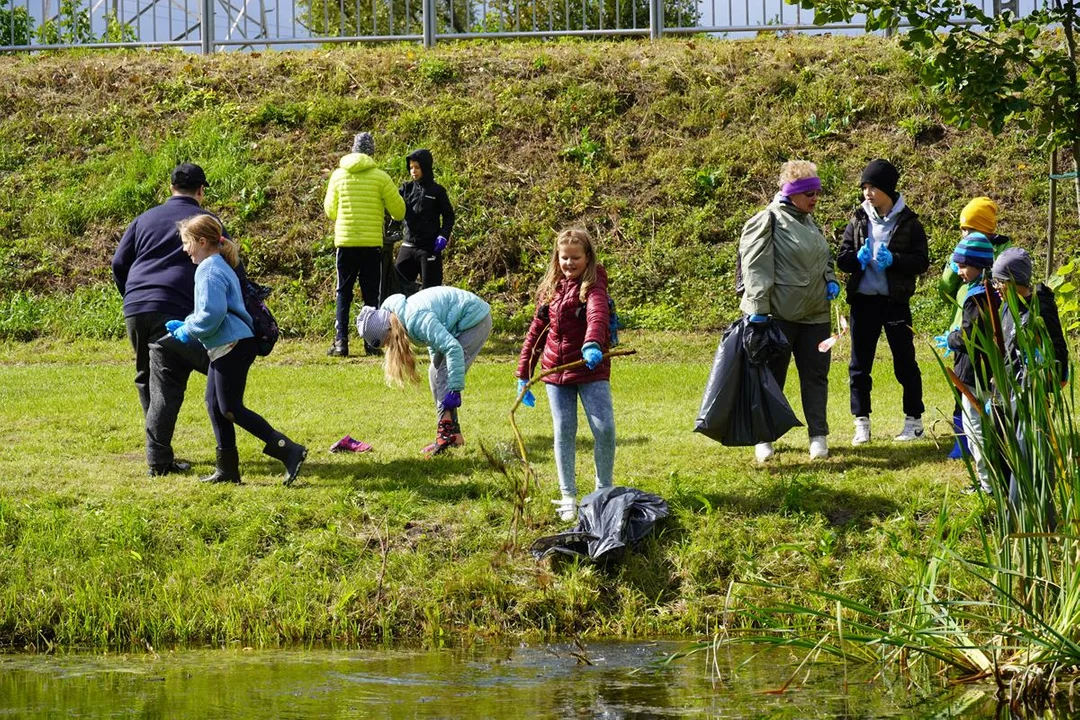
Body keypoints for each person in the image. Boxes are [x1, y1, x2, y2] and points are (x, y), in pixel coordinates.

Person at [166, 215, 308, 485]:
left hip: (233, 345)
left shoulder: (208, 268)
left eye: (187, 243)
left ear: (202, 241)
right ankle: (227, 470)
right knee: (215, 404)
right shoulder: (218, 264)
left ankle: (289, 450)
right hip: (233, 343)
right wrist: (189, 323)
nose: (185, 250)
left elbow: (212, 315)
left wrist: (188, 329)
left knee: (230, 407)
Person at [112, 162, 218, 477]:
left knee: (147, 376)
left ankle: (158, 450)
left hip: (136, 305)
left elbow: (119, 261)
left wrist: (130, 294)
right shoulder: (205, 221)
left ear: (170, 188)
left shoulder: (144, 218)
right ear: (201, 191)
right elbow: (223, 261)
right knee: (168, 382)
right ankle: (158, 459)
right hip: (173, 306)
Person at [740, 160, 839, 462]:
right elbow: (755, 267)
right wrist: (758, 309)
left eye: (817, 192)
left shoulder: (809, 222)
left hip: (816, 317)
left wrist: (831, 279)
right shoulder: (768, 220)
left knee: (816, 377)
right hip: (779, 316)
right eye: (808, 192)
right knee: (772, 379)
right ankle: (764, 438)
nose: (814, 198)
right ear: (791, 192)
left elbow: (824, 258)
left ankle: (818, 437)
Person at [515, 228, 615, 522]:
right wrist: (524, 372)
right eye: (564, 258)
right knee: (564, 431)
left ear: (588, 258)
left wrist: (592, 343)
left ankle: (603, 492)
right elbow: (536, 332)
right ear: (557, 258)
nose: (569, 263)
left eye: (575, 258)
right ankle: (568, 495)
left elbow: (598, 315)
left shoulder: (594, 285)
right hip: (555, 373)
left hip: (589, 367)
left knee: (604, 428)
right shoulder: (551, 289)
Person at [836, 159, 929, 446]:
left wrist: (896, 261)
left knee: (905, 363)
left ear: (888, 189)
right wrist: (856, 259)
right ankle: (861, 423)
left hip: (895, 302)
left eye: (873, 187)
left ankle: (914, 422)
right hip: (863, 302)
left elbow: (922, 262)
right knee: (859, 366)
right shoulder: (858, 219)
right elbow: (842, 257)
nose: (867, 192)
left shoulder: (910, 223)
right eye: (864, 187)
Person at [356, 286, 492, 457]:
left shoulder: (414, 319)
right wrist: (439, 367)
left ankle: (445, 436)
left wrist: (455, 388)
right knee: (435, 373)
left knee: (443, 374)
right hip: (461, 322)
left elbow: (453, 349)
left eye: (387, 342)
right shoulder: (403, 319)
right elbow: (435, 341)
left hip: (475, 321)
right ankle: (453, 435)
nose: (388, 347)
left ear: (389, 331)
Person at [992, 248, 1068, 522]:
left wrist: (1040, 381)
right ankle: (1015, 519)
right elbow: (1007, 350)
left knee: (1032, 461)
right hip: (1009, 393)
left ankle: (1037, 523)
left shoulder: (1039, 310)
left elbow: (1058, 356)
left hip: (1031, 399)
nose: (996, 287)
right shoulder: (1007, 306)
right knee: (1011, 458)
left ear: (1014, 281)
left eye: (999, 280)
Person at [937, 197, 1011, 460]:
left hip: (978, 340)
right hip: (963, 330)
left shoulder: (997, 259)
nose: (964, 234)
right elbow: (946, 288)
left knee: (976, 393)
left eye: (969, 229)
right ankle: (963, 441)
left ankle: (982, 446)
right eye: (962, 229)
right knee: (962, 390)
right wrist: (953, 266)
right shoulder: (963, 258)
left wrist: (956, 338)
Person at [324, 132, 406, 358]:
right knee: (371, 295)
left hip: (346, 242)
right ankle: (372, 342)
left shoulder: (338, 176)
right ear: (371, 152)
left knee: (343, 292)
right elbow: (399, 210)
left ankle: (341, 342)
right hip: (371, 244)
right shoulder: (381, 178)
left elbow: (330, 211)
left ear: (353, 150)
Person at [935, 233, 1000, 494]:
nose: (959, 272)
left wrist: (952, 339)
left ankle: (987, 485)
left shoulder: (977, 298)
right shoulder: (993, 291)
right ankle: (993, 481)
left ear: (979, 266)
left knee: (976, 431)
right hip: (987, 373)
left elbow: (970, 336)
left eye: (963, 266)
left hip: (974, 375)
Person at [394, 149, 456, 292]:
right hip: (408, 246)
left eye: (417, 167)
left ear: (425, 167)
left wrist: (443, 236)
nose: (413, 171)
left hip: (429, 249)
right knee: (397, 288)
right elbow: (392, 206)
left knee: (431, 292)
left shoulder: (437, 191)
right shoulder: (406, 189)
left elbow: (449, 216)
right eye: (411, 168)